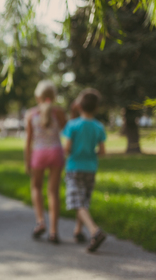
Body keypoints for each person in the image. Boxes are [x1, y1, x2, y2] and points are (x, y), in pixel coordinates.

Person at [62, 88, 107, 252]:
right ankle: (78, 230)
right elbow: (102, 152)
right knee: (83, 200)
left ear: (79, 105)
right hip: (91, 168)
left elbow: (66, 149)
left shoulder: (72, 125)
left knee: (77, 202)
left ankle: (95, 231)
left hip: (74, 167)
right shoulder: (98, 126)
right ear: (96, 108)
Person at [24, 80, 67, 243]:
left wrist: (27, 160)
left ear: (37, 96)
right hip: (56, 152)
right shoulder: (59, 112)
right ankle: (54, 231)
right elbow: (66, 130)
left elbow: (28, 141)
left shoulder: (31, 114)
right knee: (53, 192)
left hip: (39, 154)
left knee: (36, 187)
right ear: (54, 96)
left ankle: (40, 221)